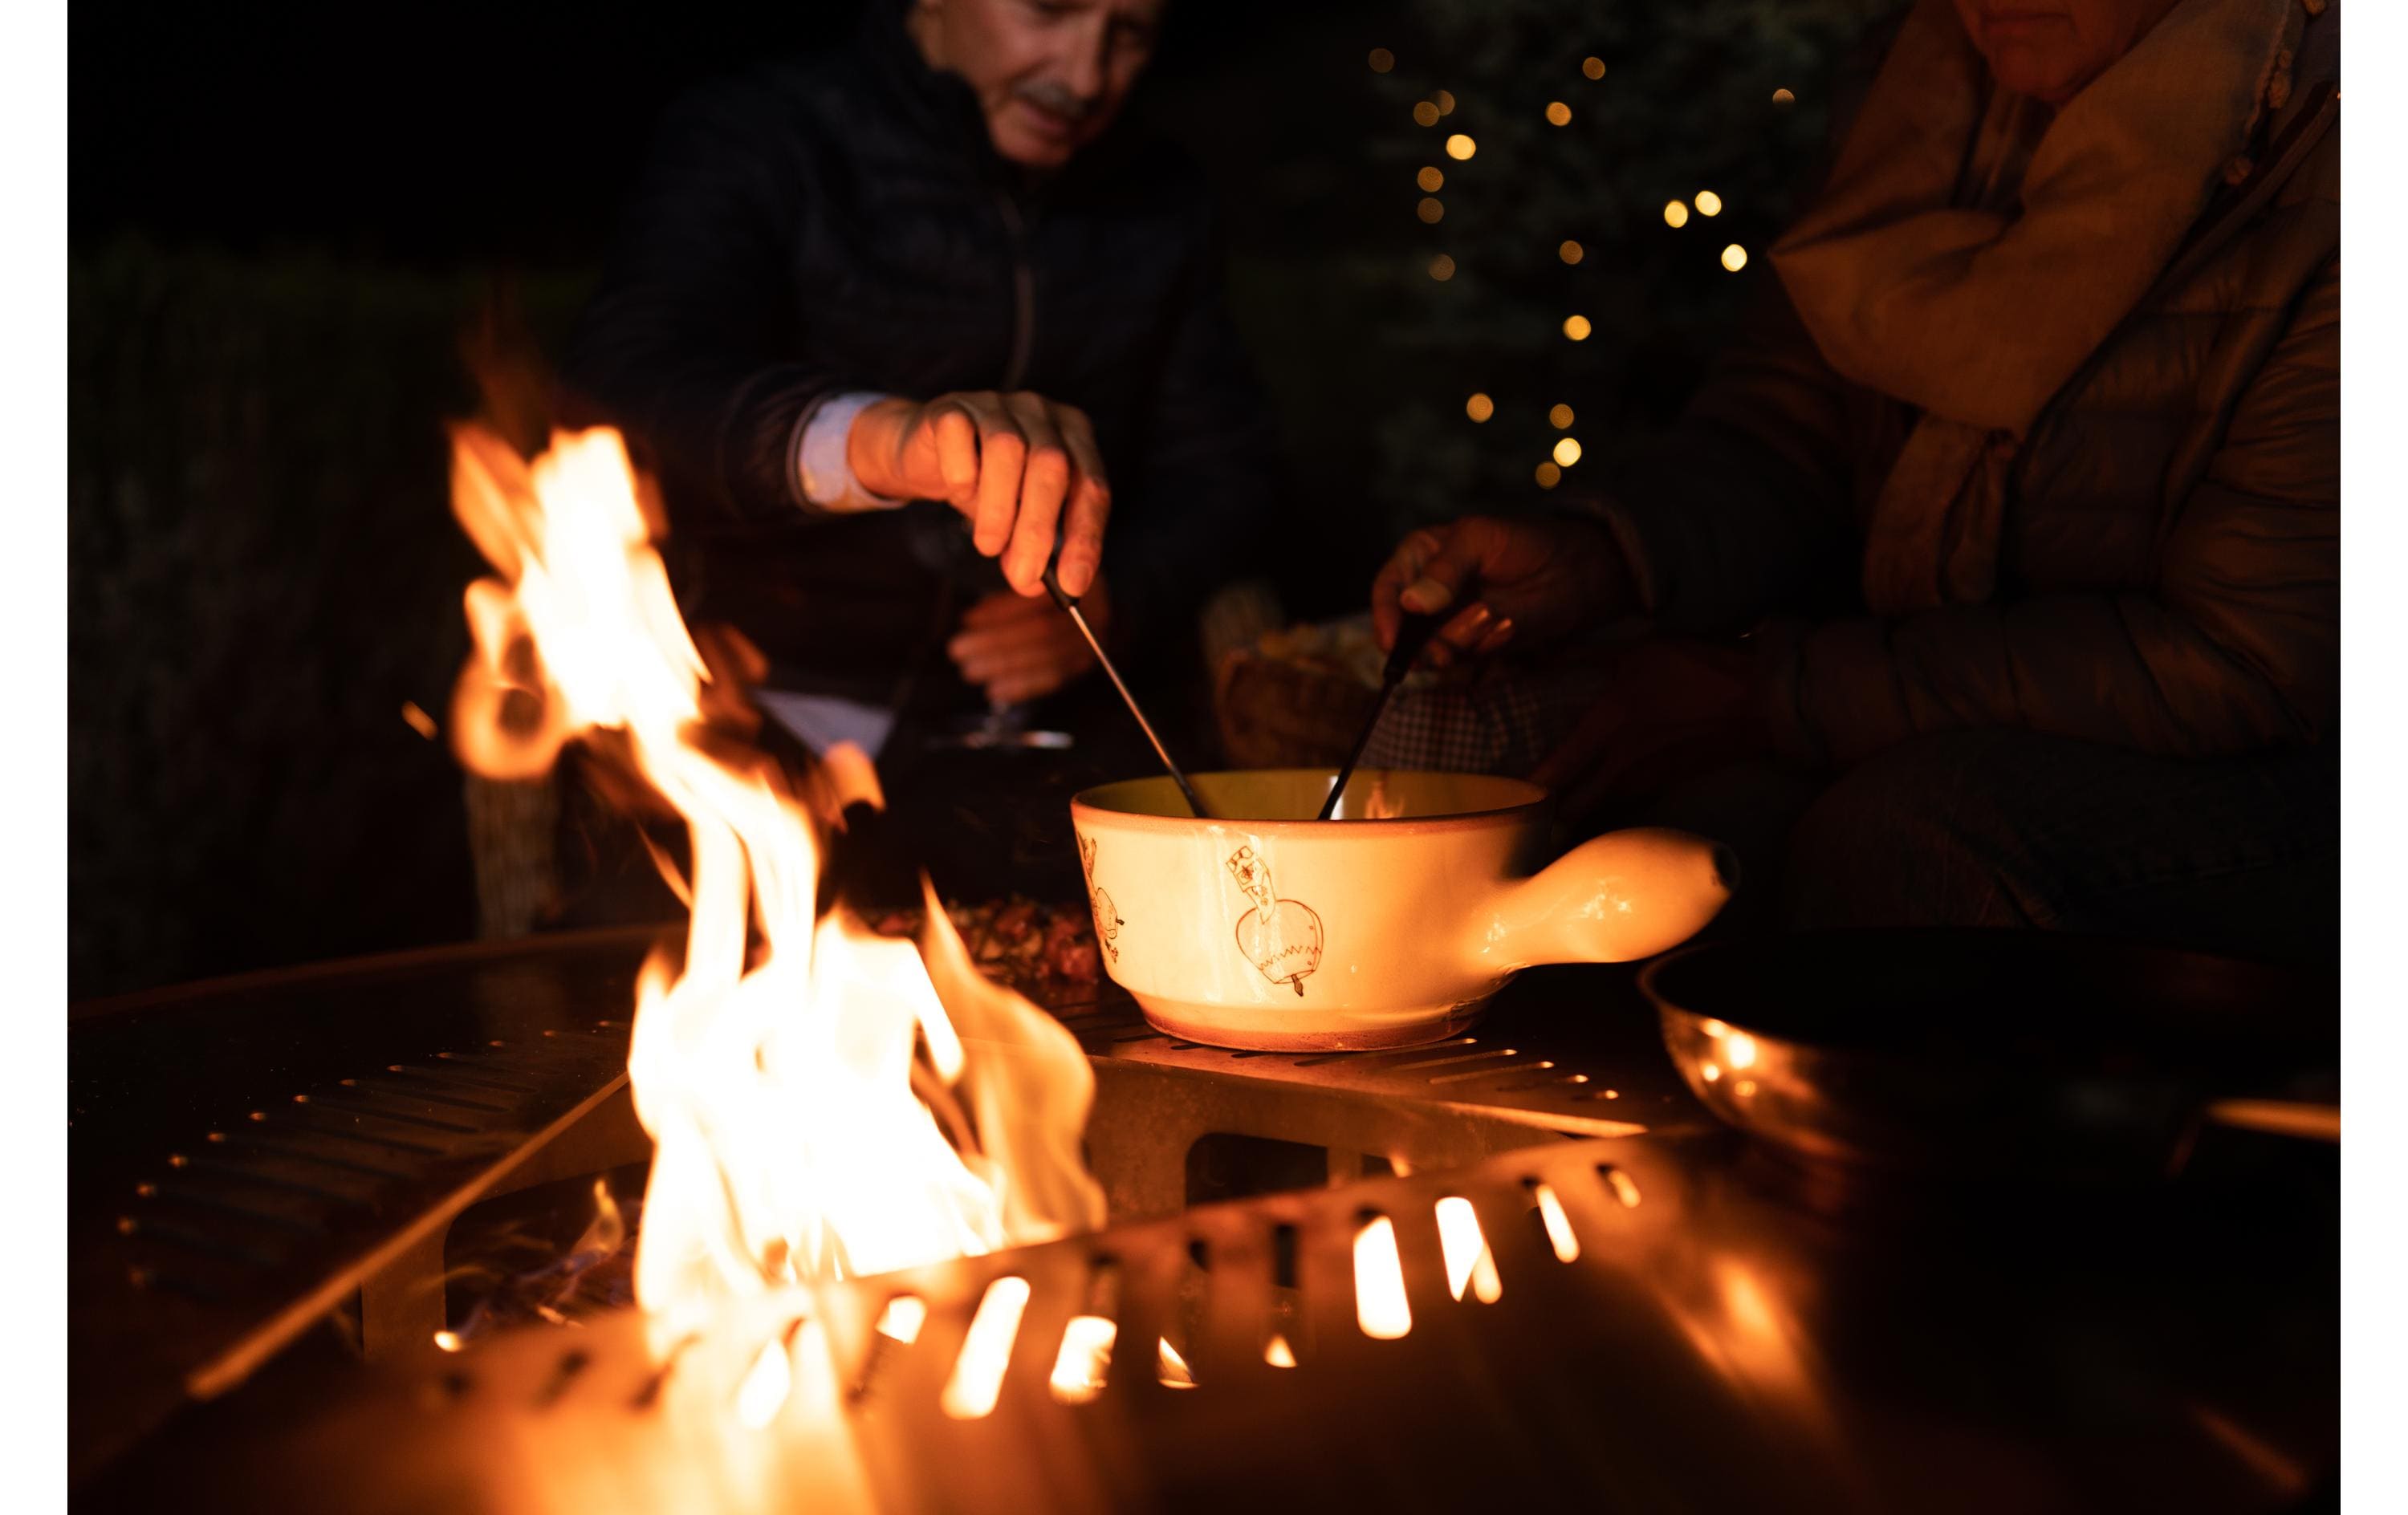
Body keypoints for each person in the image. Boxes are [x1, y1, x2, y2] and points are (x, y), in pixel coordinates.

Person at [1368, 0, 2339, 964]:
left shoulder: (2330, 147)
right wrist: (1601, 558)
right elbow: (1791, 427)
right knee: (1640, 841)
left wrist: (1777, 695)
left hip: (2293, 783)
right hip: (1935, 698)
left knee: (1907, 843)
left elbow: (2255, 660)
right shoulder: (1929, 87)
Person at [561, 0, 1278, 760]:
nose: (1085, 76)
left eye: (1128, 33)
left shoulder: (1162, 198)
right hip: (748, 718)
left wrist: (1122, 598)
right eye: (1049, 10)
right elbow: (620, 385)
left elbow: (1226, 469)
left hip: (1030, 746)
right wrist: (878, 440)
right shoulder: (760, 136)